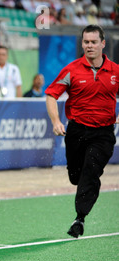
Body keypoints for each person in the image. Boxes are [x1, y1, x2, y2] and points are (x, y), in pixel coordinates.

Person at [45, 24, 119, 239]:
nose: (89, 46)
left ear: (102, 44)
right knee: (76, 176)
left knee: (91, 170)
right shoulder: (71, 70)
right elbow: (51, 95)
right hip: (77, 131)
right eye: (86, 42)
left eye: (94, 42)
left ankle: (80, 218)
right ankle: (80, 189)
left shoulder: (115, 71)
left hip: (104, 133)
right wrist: (56, 121)